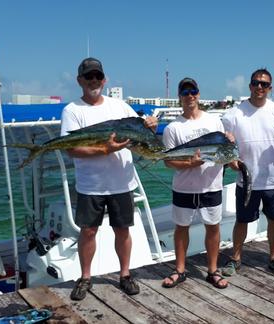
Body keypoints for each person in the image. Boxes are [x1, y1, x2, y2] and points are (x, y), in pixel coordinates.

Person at [61, 57, 158, 300]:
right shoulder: (72, 111)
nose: (93, 80)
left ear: (104, 80)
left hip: (122, 182)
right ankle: (85, 277)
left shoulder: (120, 106)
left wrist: (151, 126)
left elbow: (141, 132)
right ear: (79, 80)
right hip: (90, 185)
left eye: (97, 76)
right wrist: (106, 149)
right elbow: (71, 148)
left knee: (122, 230)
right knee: (89, 232)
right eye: (88, 76)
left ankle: (125, 275)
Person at [221, 68, 274, 277]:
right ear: (249, 86)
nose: (259, 87)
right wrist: (231, 161)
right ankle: (235, 258)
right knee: (242, 220)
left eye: (264, 84)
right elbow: (225, 142)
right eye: (256, 83)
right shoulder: (234, 113)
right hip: (247, 179)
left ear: (270, 88)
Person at [161, 78, 229, 289]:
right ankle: (180, 269)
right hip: (184, 187)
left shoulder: (214, 121)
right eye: (185, 92)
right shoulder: (172, 128)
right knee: (181, 228)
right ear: (179, 97)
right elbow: (168, 161)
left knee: (213, 227)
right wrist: (190, 163)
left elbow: (223, 150)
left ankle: (212, 270)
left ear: (198, 94)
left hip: (211, 186)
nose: (190, 95)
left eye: (193, 91)